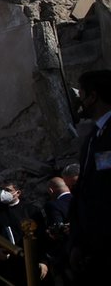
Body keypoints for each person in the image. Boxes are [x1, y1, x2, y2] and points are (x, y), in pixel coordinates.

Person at [69, 69, 111, 282]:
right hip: (92, 243)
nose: (80, 102)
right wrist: (79, 241)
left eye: (82, 96)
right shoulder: (94, 136)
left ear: (93, 96)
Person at [0, 181, 46, 285]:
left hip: (27, 259)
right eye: (2, 190)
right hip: (5, 263)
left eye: (8, 190)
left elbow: (41, 236)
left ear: (18, 193)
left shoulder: (31, 211)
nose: (3, 193)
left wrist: (43, 261)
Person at [42, 178, 72, 286]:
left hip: (65, 255)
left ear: (50, 190)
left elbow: (57, 229)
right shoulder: (81, 199)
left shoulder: (53, 205)